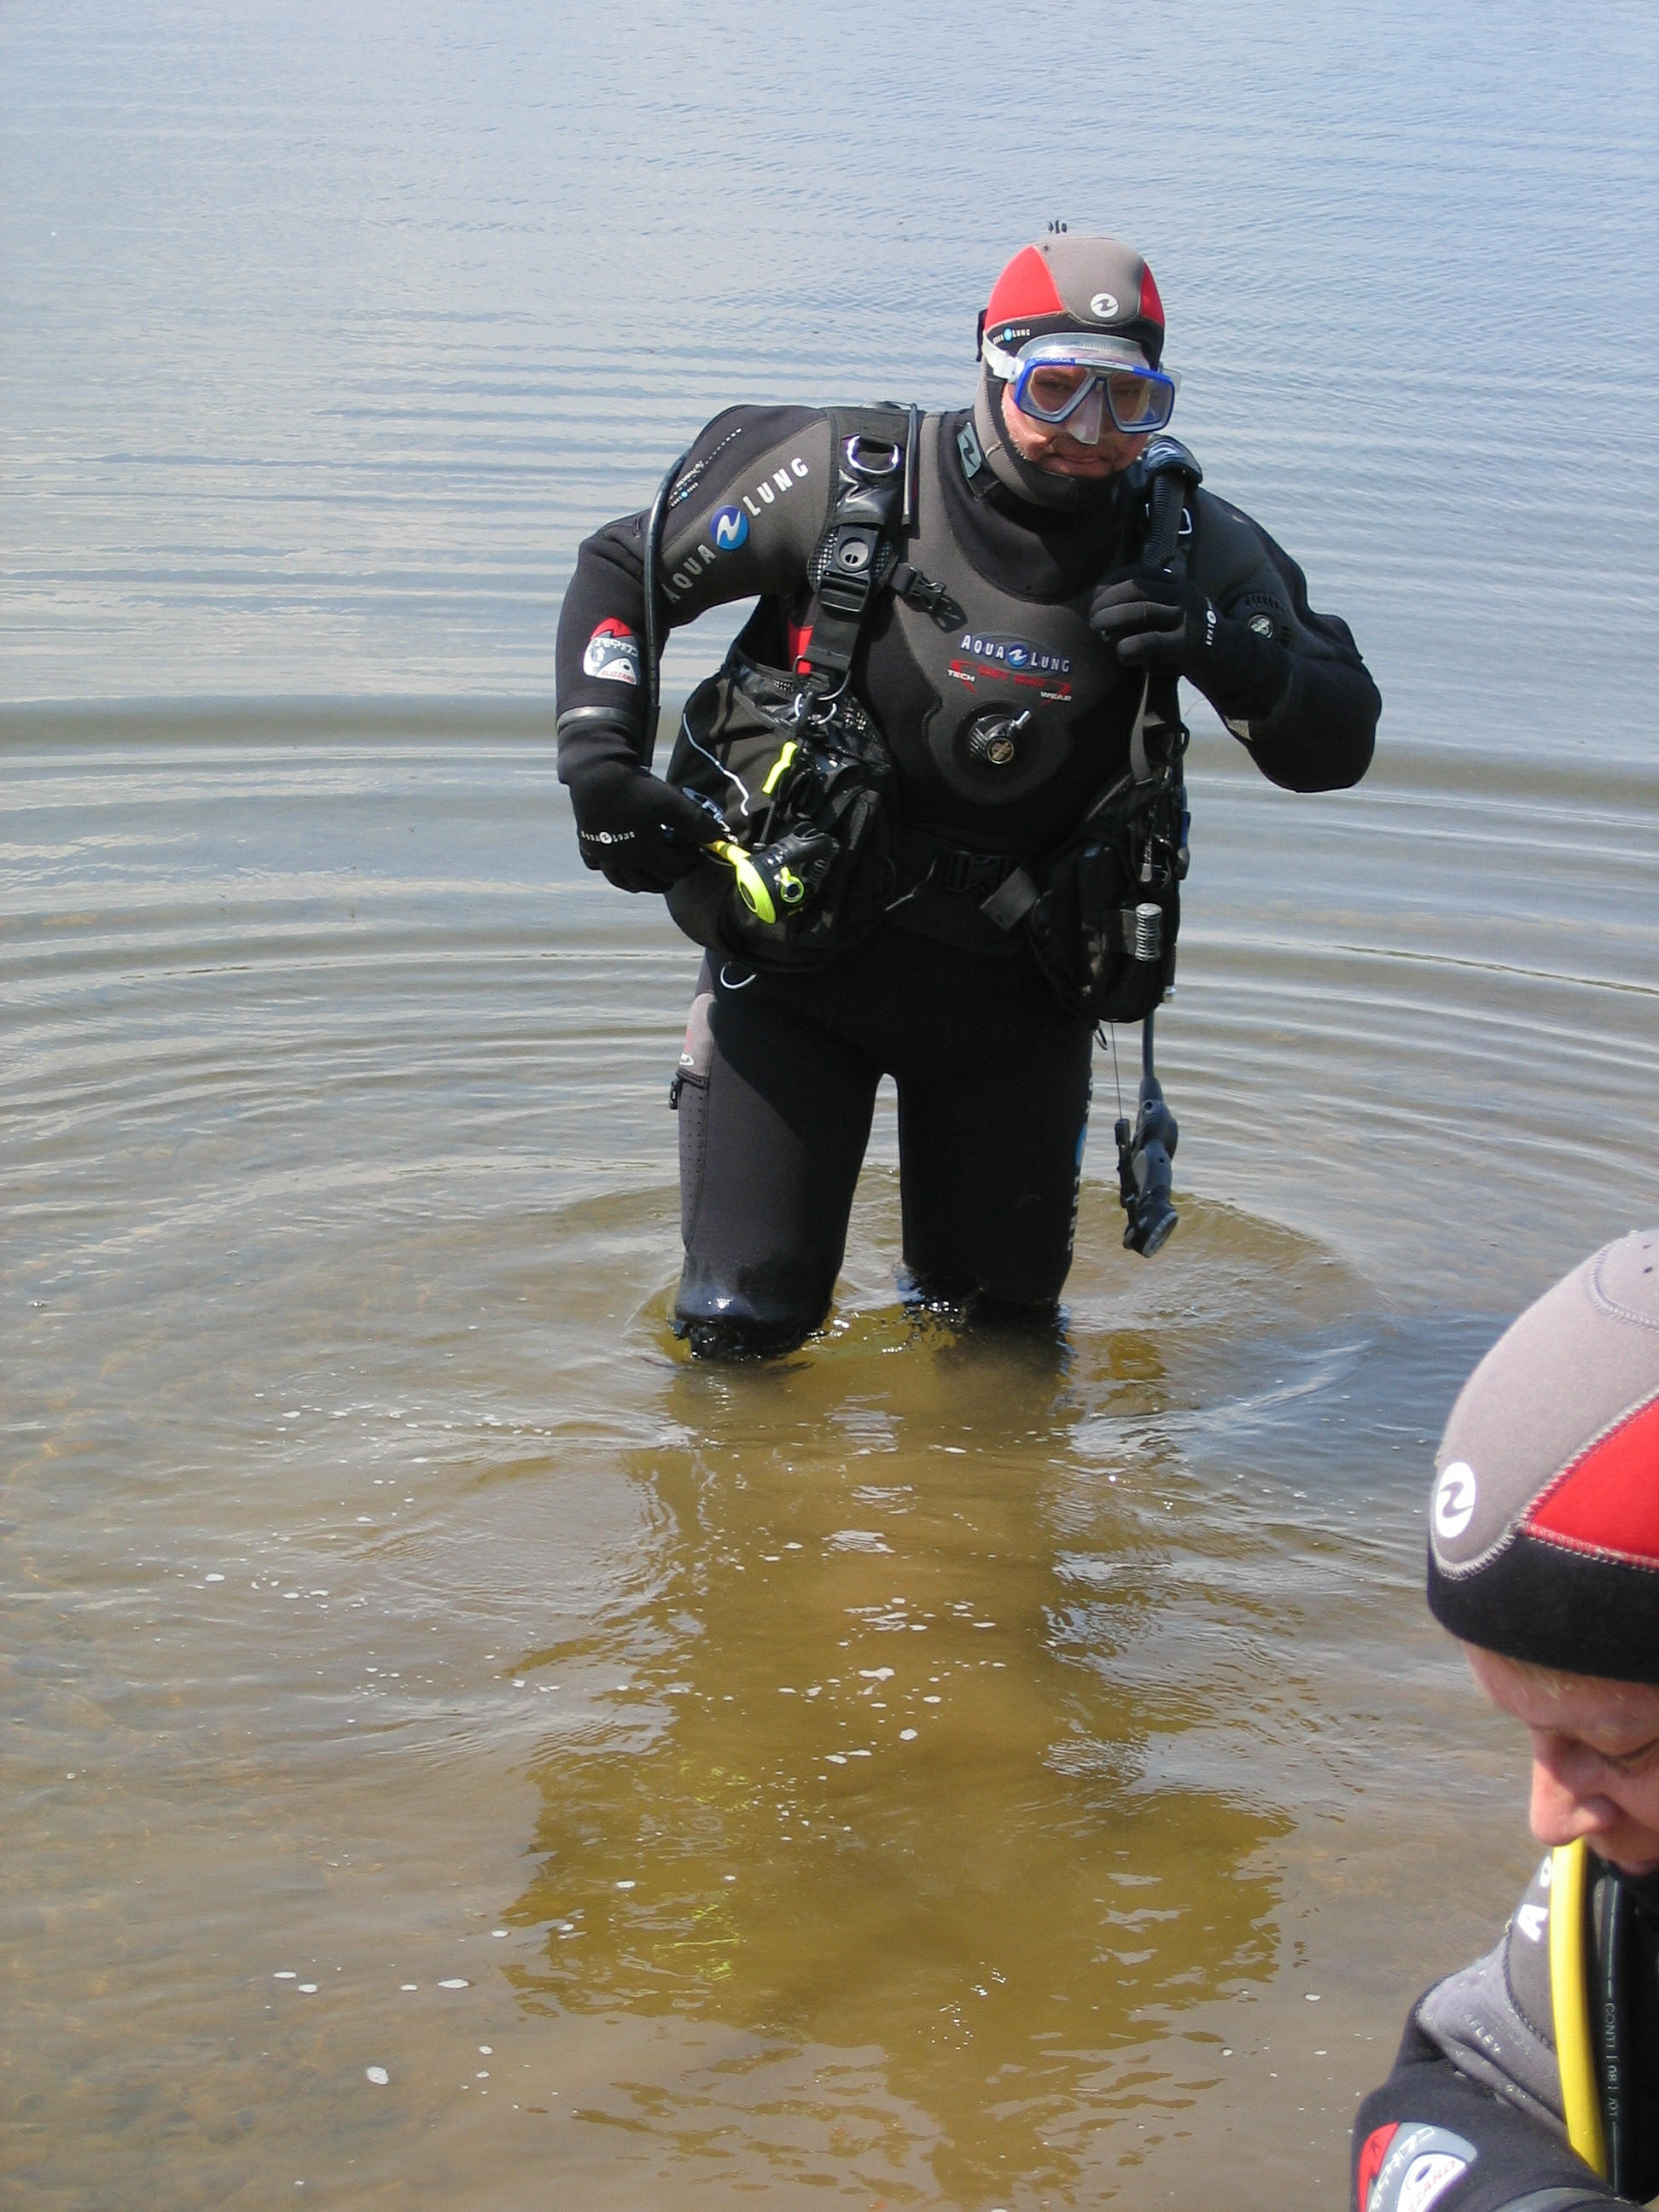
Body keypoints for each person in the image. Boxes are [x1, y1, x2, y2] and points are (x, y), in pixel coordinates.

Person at [554, 233, 1381, 1358]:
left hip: (1021, 1003)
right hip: (797, 980)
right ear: (991, 363)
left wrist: (1228, 653)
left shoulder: (1189, 545)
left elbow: (1338, 741)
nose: (1091, 431)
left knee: (999, 1350)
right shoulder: (846, 480)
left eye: (1131, 399)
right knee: (739, 1334)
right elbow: (624, 569)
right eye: (1056, 388)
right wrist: (600, 761)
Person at [1353, 1228, 1659, 2212]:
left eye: (1617, 1746)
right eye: (1529, 1735)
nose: (1551, 1819)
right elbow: (1461, 2090)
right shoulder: (1626, 1887)